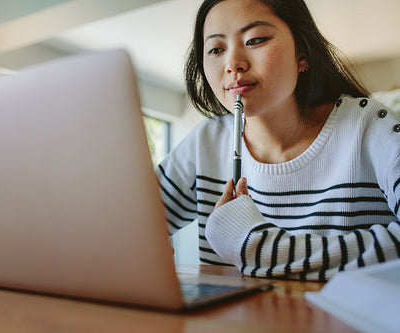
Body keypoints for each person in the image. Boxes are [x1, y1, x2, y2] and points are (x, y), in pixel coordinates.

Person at [156, 0, 400, 281]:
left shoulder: (369, 127)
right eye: (216, 49)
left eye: (255, 39)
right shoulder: (205, 142)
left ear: (302, 52)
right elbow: (124, 228)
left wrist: (259, 249)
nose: (233, 64)